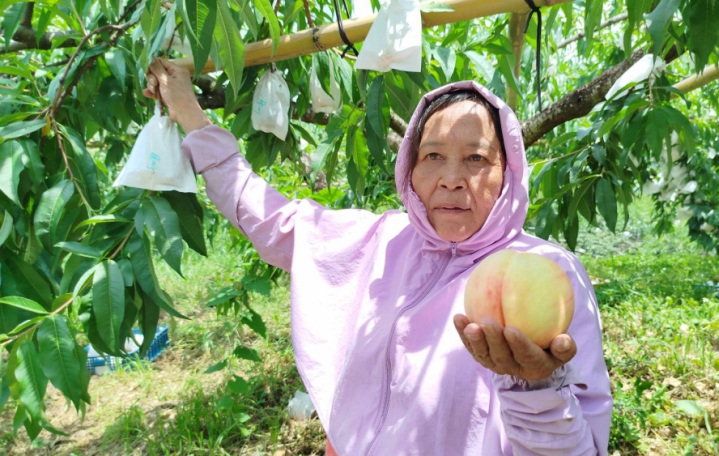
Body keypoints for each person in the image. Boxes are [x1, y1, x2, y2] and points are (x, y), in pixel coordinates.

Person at [143, 58, 613, 455]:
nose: (451, 179)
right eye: (432, 156)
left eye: (476, 158)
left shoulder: (548, 273)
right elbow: (269, 219)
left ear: (508, 172)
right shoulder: (381, 239)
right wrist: (189, 113)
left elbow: (581, 448)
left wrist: (537, 390)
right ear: (409, 167)